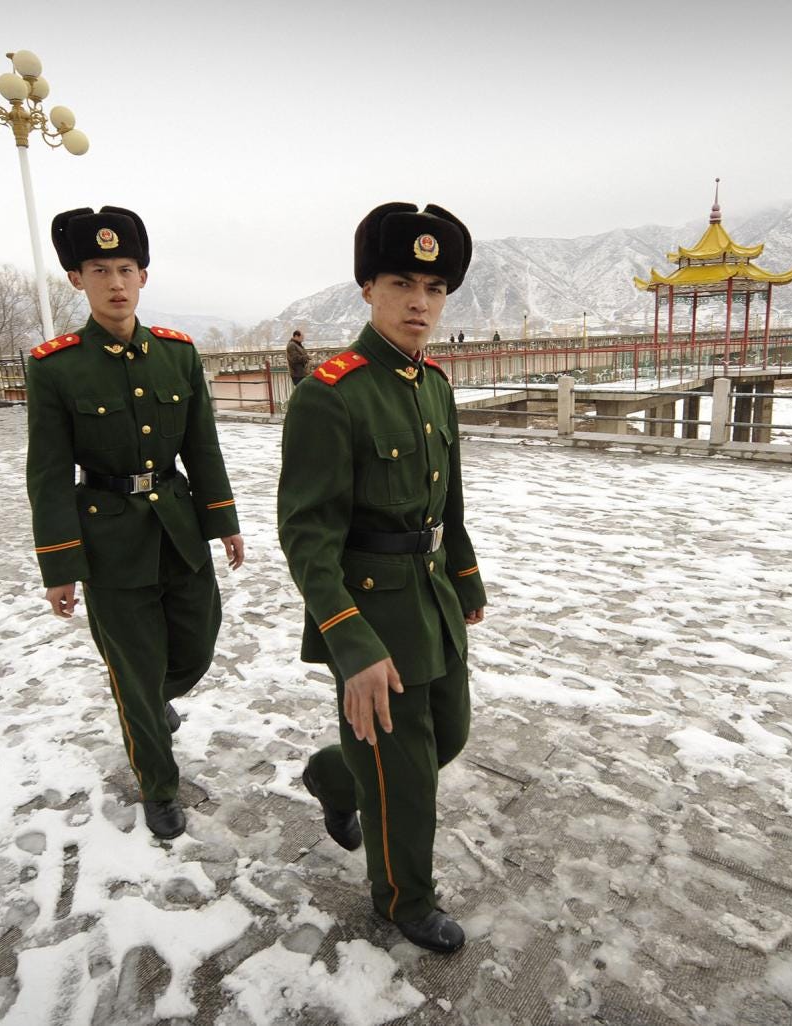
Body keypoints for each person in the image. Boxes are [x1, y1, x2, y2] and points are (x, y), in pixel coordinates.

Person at [277, 202, 487, 954]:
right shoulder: (331, 391)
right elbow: (305, 533)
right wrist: (349, 642)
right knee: (405, 778)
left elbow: (449, 500)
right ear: (368, 288)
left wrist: (465, 579)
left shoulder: (434, 383)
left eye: (434, 288)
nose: (420, 303)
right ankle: (404, 897)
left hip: (430, 598)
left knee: (447, 737)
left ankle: (336, 778)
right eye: (403, 282)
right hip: (371, 611)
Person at [26, 205, 244, 841]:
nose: (115, 282)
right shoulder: (56, 366)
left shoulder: (177, 355)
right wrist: (60, 565)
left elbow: (202, 444)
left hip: (178, 528)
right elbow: (46, 474)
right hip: (109, 541)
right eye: (100, 270)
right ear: (77, 280)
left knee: (197, 644)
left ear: (143, 277)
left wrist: (223, 519)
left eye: (126, 268)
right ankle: (158, 785)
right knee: (134, 672)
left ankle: (150, 701)